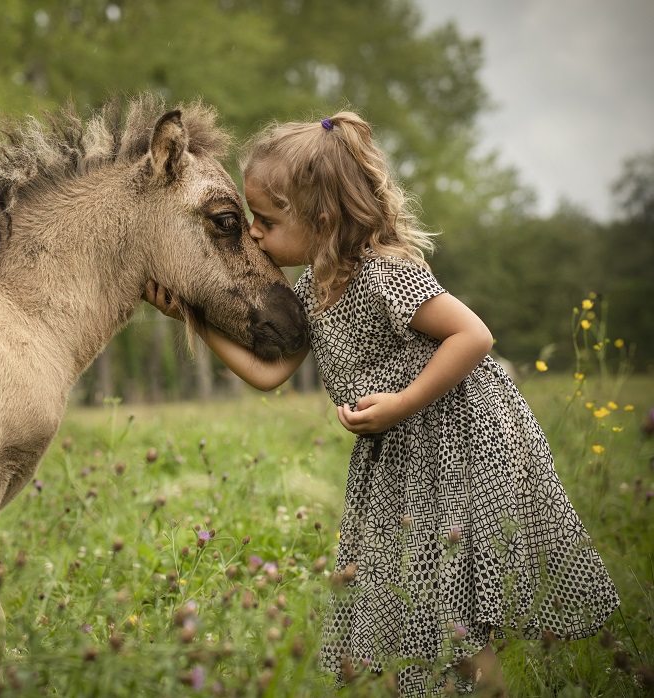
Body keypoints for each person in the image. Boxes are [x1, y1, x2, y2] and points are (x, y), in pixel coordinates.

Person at [145, 112, 619, 696]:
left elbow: (473, 335)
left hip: (460, 444)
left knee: (454, 603)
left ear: (320, 218)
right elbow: (267, 373)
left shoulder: (384, 274)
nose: (256, 236)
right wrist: (188, 313)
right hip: (400, 461)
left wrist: (403, 402)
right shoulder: (311, 292)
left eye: (265, 221)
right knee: (414, 598)